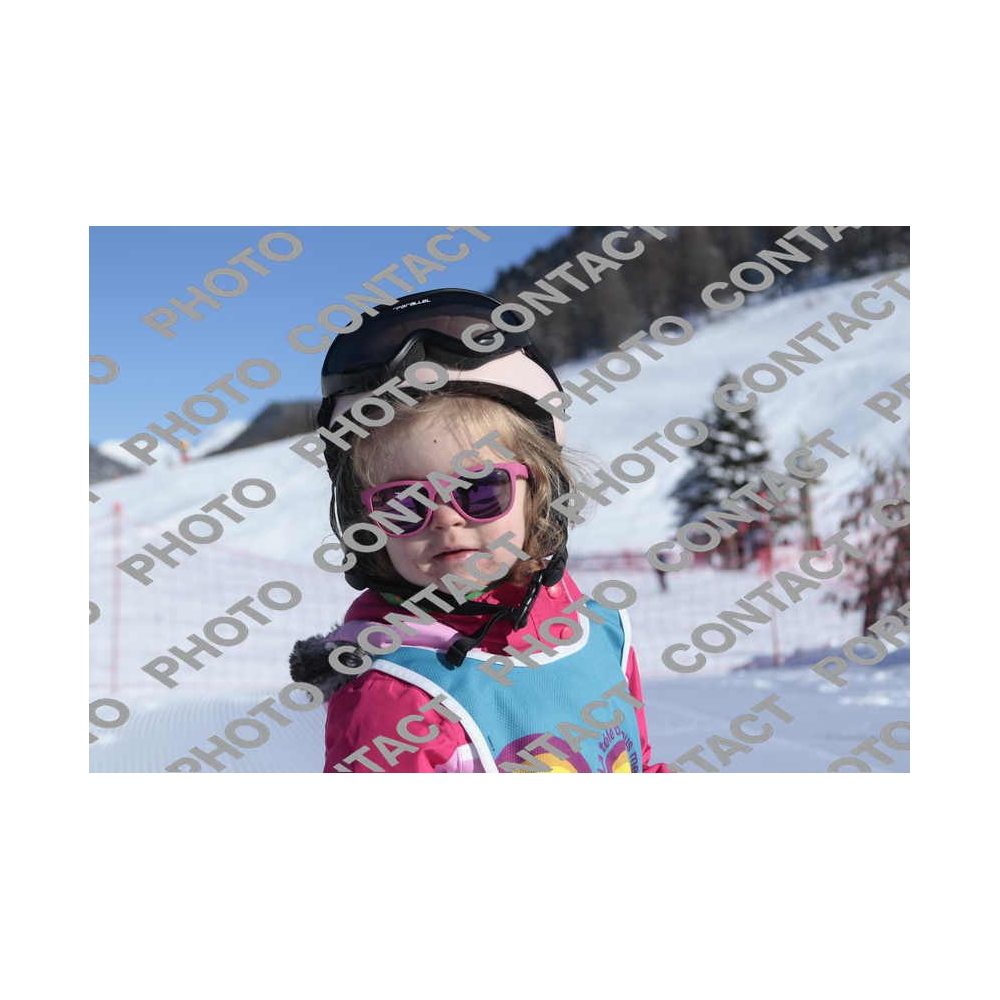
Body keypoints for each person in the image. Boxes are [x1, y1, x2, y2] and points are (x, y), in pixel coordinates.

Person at [290, 288, 669, 773]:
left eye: (480, 489)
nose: (446, 518)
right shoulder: (394, 703)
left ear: (539, 493)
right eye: (404, 504)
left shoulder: (599, 632)